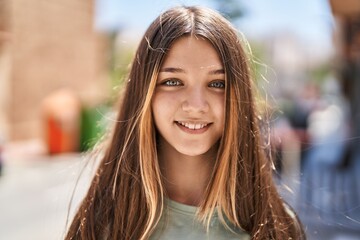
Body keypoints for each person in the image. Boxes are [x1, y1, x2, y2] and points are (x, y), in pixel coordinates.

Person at [65, 6, 305, 240]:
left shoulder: (277, 227)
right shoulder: (103, 224)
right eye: (172, 81)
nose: (196, 105)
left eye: (217, 84)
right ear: (144, 94)